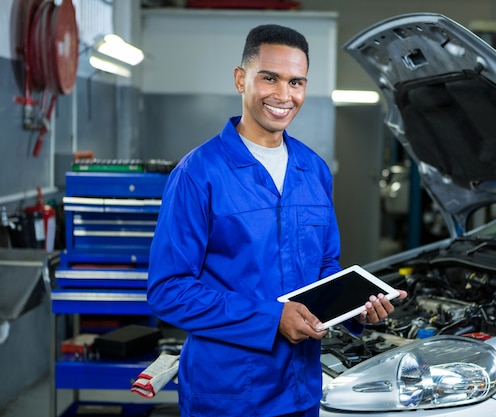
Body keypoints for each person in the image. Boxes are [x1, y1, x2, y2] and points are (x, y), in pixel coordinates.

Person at [146, 24, 407, 417]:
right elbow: (169, 290)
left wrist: (353, 309)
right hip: (228, 393)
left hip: (301, 388)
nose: (284, 96)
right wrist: (271, 318)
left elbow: (323, 266)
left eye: (296, 82)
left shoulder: (313, 170)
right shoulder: (199, 174)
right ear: (241, 79)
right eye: (270, 78)